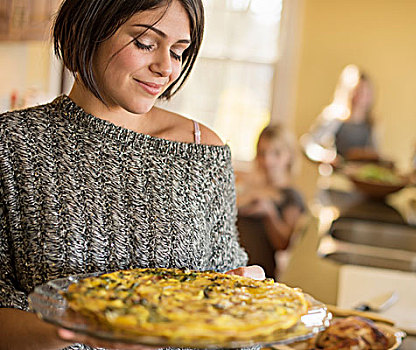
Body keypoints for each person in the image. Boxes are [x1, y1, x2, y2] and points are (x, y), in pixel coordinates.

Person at [0, 1, 264, 349]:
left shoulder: (203, 149)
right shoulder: (13, 144)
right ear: (87, 27)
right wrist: (77, 328)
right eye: (145, 43)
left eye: (178, 51)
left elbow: (228, 282)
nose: (165, 67)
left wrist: (250, 289)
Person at [236, 125, 306, 279]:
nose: (267, 160)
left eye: (276, 153)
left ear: (289, 155)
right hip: (235, 269)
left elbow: (284, 244)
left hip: (261, 275)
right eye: (262, 153)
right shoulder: (248, 189)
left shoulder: (291, 196)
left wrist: (270, 213)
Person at [334, 73, 378, 161]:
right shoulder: (335, 118)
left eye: (366, 93)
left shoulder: (371, 123)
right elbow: (309, 144)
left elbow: (373, 151)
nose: (362, 97)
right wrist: (326, 156)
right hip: (335, 172)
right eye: (359, 91)